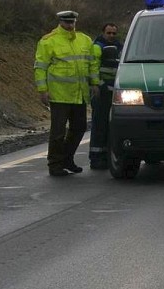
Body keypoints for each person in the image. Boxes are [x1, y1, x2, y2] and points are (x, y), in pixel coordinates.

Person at [34, 10, 100, 177]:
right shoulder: (49, 41)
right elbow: (40, 67)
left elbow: (91, 64)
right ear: (60, 22)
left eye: (72, 22)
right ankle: (55, 164)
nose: (70, 25)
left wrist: (94, 83)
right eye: (67, 22)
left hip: (79, 94)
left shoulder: (84, 40)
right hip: (59, 95)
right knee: (58, 132)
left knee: (79, 128)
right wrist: (43, 91)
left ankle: (67, 159)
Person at [89, 22, 122, 169]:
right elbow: (93, 67)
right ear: (103, 33)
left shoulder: (121, 47)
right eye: (108, 33)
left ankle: (109, 156)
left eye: (114, 33)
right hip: (101, 91)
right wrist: (97, 84)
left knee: (112, 126)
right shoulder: (97, 47)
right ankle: (96, 158)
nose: (111, 36)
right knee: (99, 125)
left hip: (116, 91)